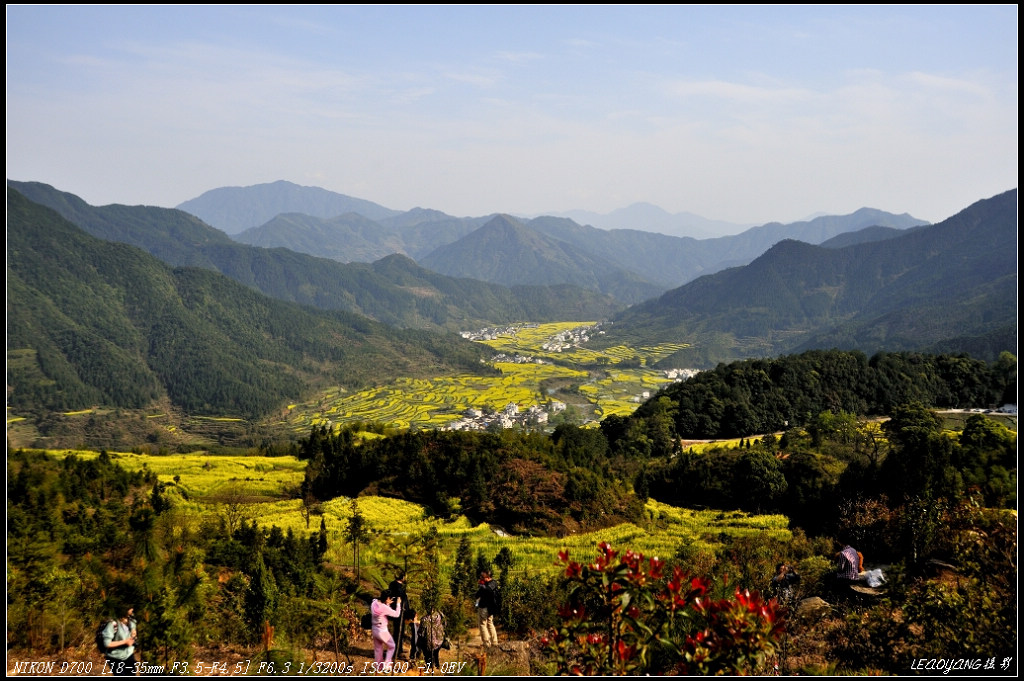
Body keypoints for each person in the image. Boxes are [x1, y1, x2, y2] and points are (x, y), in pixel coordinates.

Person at [101, 606, 138, 676]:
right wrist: (125, 642)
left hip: (129, 655)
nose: (132, 609)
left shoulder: (131, 619)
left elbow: (133, 625)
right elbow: (107, 643)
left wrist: (133, 631)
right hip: (115, 658)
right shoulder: (112, 623)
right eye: (130, 608)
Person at [371, 589, 402, 664]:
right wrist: (398, 604)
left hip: (374, 629)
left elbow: (382, 609)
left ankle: (378, 668)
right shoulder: (384, 608)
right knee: (392, 646)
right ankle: (387, 665)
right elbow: (396, 614)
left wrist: (387, 603)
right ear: (387, 598)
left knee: (378, 649)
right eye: (390, 598)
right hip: (382, 631)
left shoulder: (374, 603)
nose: (392, 600)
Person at [474, 571, 499, 648]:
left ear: (488, 577)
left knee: (482, 624)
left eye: (483, 577)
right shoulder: (494, 583)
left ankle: (487, 643)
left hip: (484, 607)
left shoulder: (486, 586)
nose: (481, 578)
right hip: (491, 608)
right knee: (490, 623)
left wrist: (481, 586)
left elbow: (478, 594)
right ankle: (494, 642)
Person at [387, 572, 409, 659]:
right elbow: (401, 599)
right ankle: (397, 651)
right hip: (399, 612)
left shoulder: (393, 584)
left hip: (396, 611)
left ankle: (399, 648)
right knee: (399, 631)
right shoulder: (398, 588)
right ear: (402, 577)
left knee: (398, 631)